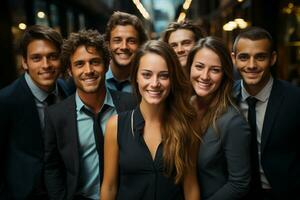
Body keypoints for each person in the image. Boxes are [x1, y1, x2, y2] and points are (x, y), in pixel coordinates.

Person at [100, 40, 200, 200]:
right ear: (136, 77)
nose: (155, 83)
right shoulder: (116, 125)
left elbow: (191, 186)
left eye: (164, 76)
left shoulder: (186, 124)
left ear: (172, 79)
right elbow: (109, 187)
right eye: (147, 74)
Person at [43, 29, 136, 200]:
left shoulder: (131, 104)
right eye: (79, 64)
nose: (88, 70)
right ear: (70, 70)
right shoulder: (56, 116)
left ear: (107, 65)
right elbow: (52, 168)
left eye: (95, 62)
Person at [0, 25, 69, 199]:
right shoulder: (6, 100)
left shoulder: (66, 90)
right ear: (25, 62)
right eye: (36, 58)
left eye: (52, 57)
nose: (46, 65)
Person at [232, 26, 300, 199]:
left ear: (273, 58)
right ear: (234, 59)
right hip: (237, 194)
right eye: (244, 57)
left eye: (260, 57)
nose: (252, 65)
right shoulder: (225, 99)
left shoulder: (295, 99)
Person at [185, 36, 251, 200]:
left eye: (215, 70)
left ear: (224, 75)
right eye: (199, 66)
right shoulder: (183, 108)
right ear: (190, 68)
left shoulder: (232, 122)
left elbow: (239, 184)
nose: (205, 76)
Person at [104, 11, 148, 93]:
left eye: (131, 41)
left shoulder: (147, 83)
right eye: (117, 40)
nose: (124, 47)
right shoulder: (95, 79)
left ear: (140, 46)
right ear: (108, 45)